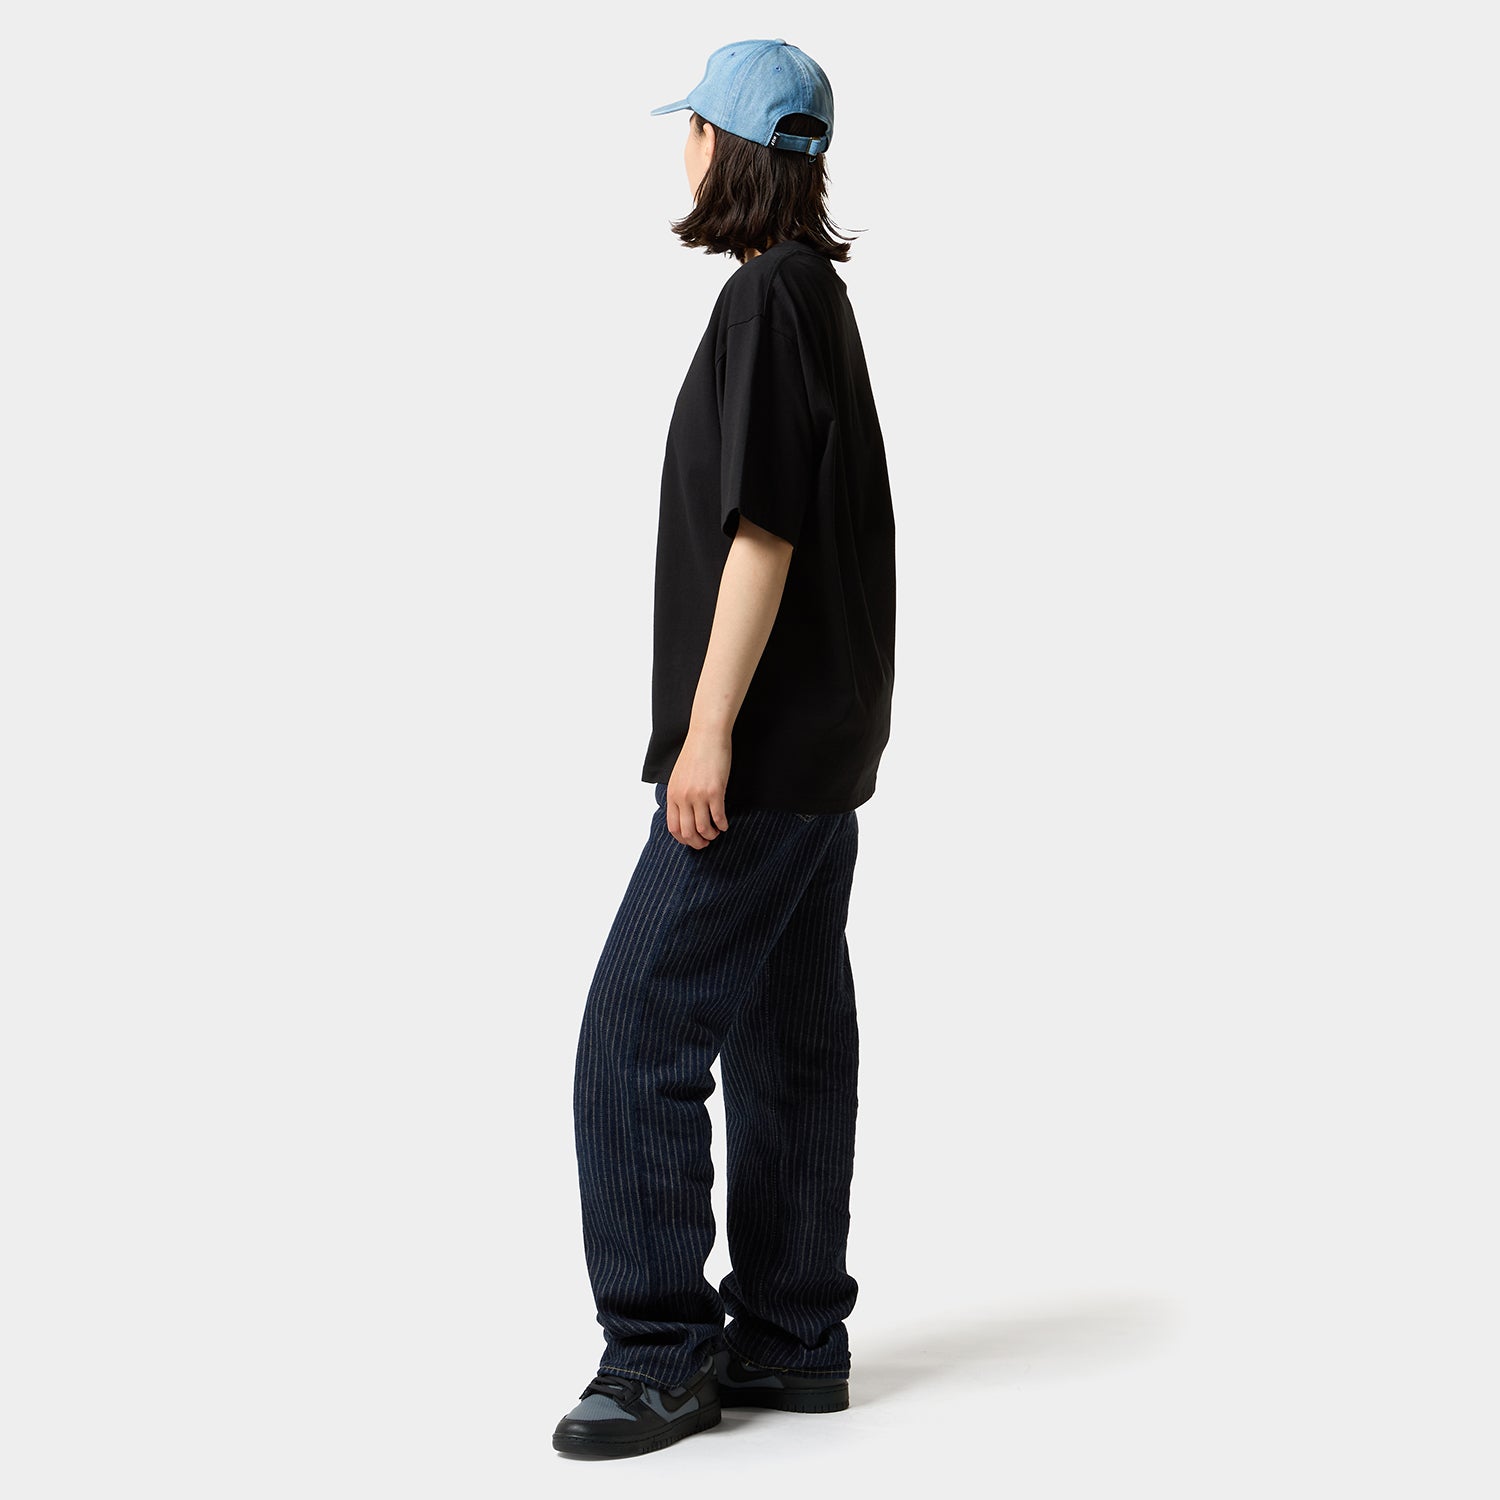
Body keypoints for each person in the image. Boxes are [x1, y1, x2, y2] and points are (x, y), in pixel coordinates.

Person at [554, 38, 897, 1460]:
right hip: (826, 750)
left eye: (691, 128)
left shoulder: (764, 302)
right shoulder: (816, 295)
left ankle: (657, 1355)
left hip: (757, 756)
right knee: (788, 1038)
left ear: (724, 149)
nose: (681, 150)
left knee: (635, 1036)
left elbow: (763, 532)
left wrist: (705, 736)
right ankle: (793, 1335)